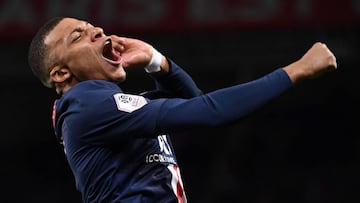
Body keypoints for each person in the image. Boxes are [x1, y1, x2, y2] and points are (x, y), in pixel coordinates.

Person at [27, 17, 337, 203]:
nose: (95, 30)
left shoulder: (108, 113)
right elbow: (211, 111)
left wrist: (155, 61)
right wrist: (298, 70)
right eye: (78, 36)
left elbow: (193, 99)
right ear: (60, 74)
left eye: (90, 25)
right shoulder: (87, 106)